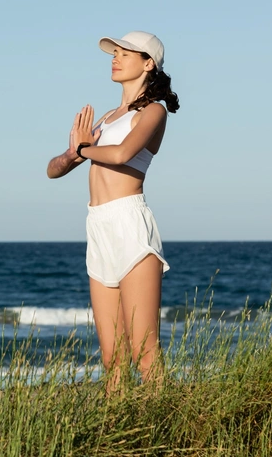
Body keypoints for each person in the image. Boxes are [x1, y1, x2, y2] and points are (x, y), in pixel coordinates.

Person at [46, 31, 179, 392]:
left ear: (148, 63)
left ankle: (167, 430)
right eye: (114, 53)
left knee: (144, 351)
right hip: (99, 227)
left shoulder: (153, 112)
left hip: (129, 224)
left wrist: (85, 149)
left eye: (124, 53)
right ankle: (115, 434)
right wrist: (73, 153)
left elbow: (121, 155)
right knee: (112, 359)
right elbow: (53, 169)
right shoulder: (105, 119)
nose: (115, 58)